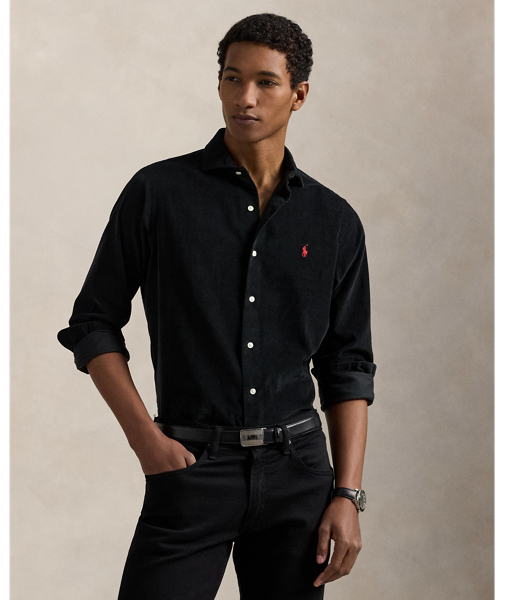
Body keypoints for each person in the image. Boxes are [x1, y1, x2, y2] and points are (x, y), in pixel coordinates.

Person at [58, 13, 376, 600]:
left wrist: (346, 494)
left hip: (298, 476)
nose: (244, 97)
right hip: (190, 467)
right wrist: (145, 440)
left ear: (299, 94)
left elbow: (347, 364)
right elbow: (92, 324)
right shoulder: (158, 194)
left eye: (265, 82)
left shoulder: (333, 221)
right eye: (232, 78)